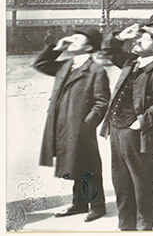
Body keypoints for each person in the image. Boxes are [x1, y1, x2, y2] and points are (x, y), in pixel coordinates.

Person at [100, 25, 153, 231]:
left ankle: (144, 227)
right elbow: (108, 50)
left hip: (138, 133)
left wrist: (140, 121)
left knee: (142, 183)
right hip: (116, 129)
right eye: (139, 36)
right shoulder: (131, 63)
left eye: (145, 38)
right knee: (121, 181)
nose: (138, 39)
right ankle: (125, 226)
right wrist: (120, 36)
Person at [35, 27, 109, 222]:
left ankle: (98, 206)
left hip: (81, 126)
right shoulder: (67, 64)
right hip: (63, 123)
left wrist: (87, 124)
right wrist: (56, 47)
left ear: (89, 45)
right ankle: (79, 203)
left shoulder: (96, 69)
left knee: (89, 164)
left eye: (78, 38)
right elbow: (41, 64)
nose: (72, 40)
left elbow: (102, 102)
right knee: (74, 161)